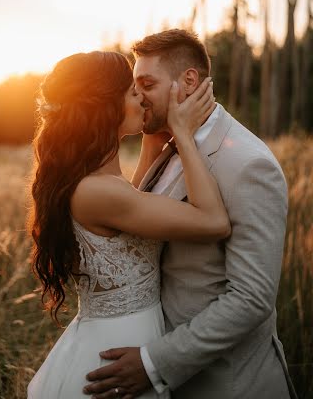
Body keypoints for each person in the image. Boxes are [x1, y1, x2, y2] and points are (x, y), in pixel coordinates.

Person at [83, 29, 297, 399]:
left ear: (189, 81)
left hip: (226, 384)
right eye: (135, 85)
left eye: (147, 84)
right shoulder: (166, 144)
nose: (137, 97)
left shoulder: (248, 165)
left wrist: (155, 363)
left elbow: (251, 298)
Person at [26, 50, 230, 399]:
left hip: (122, 338)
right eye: (132, 92)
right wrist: (183, 133)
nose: (141, 99)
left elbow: (126, 224)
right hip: (115, 350)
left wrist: (151, 145)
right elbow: (213, 222)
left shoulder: (97, 181)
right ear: (107, 108)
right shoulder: (97, 191)